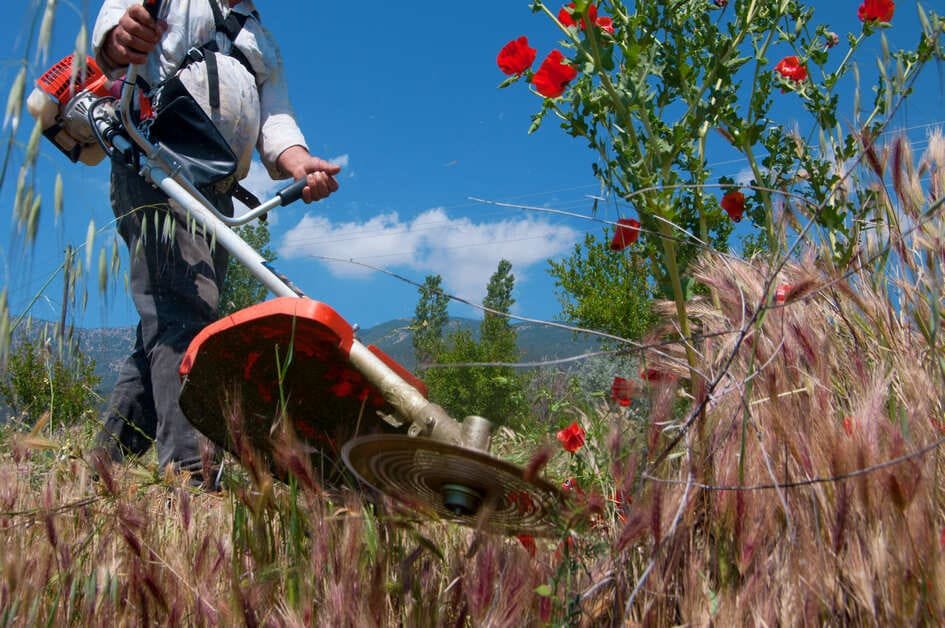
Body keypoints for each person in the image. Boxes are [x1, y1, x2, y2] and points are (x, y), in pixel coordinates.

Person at [91, 0, 340, 485]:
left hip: (218, 193)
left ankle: (103, 468)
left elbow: (276, 119)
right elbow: (114, 36)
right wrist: (120, 38)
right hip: (155, 163)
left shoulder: (259, 38)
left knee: (172, 324)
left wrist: (299, 162)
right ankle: (191, 474)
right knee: (186, 312)